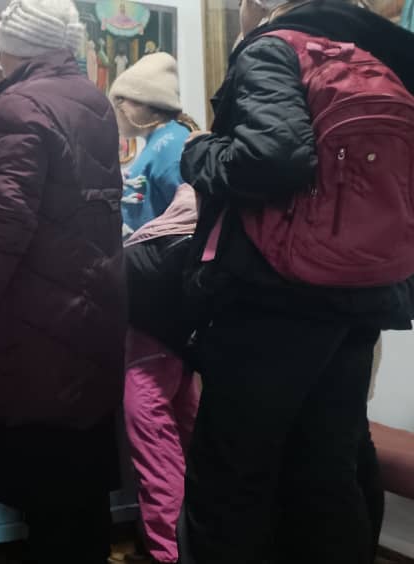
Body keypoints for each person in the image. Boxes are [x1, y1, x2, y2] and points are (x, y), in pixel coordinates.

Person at [178, 2, 414, 563]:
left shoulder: (274, 48)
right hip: (363, 293)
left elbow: (274, 159)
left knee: (232, 475)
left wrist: (199, 152)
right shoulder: (385, 54)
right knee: (328, 471)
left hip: (273, 295)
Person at [0, 0, 126, 561]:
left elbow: (1, 229)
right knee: (81, 482)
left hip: (34, 317)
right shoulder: (93, 100)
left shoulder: (18, 108)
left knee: (46, 488)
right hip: (89, 307)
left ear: (19, 49)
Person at [122, 184, 200, 564]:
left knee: (159, 463)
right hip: (184, 356)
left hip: (148, 358)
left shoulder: (145, 250)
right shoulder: (210, 246)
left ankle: (169, 555)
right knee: (195, 446)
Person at [110, 51, 198, 237]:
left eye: (120, 101)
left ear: (145, 102)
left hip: (161, 253)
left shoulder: (169, 145)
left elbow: (188, 219)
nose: (116, 110)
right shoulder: (164, 140)